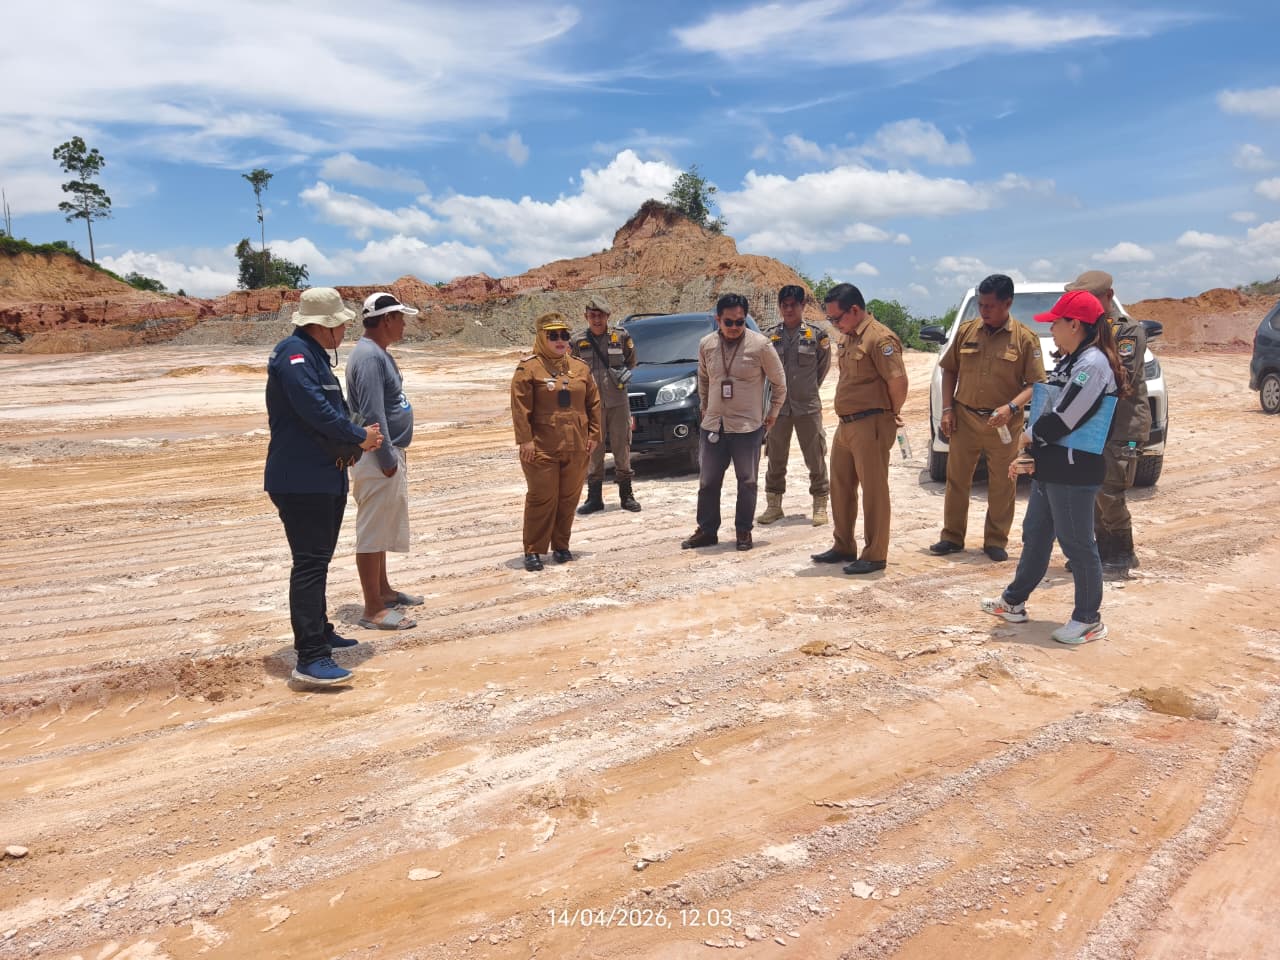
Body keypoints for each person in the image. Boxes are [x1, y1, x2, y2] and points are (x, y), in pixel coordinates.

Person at [981, 289, 1131, 645]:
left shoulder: (1092, 365)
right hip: (1054, 466)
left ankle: (1088, 619)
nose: (1053, 331)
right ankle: (1013, 602)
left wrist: (1026, 439)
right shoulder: (1073, 359)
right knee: (1035, 535)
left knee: (1077, 544)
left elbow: (1065, 419)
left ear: (1075, 325)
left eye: (1056, 324)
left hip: (1074, 469)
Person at [265, 287, 383, 686]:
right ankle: (310, 655)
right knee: (310, 564)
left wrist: (354, 438)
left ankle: (320, 630)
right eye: (341, 323)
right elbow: (314, 410)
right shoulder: (294, 354)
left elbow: (329, 408)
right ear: (324, 326)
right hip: (301, 480)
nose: (346, 328)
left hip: (322, 475)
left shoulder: (312, 356)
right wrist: (359, 436)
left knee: (319, 561)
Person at [931, 274, 1046, 562]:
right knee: (956, 479)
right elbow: (949, 371)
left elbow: (1035, 385)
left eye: (990, 306)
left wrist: (1011, 408)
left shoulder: (1025, 338)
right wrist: (947, 409)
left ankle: (995, 540)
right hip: (965, 417)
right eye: (981, 305)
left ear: (1007, 303)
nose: (984, 311)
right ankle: (952, 537)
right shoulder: (967, 332)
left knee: (1002, 483)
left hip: (1004, 423)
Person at [811, 283, 908, 575]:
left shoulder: (880, 339)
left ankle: (875, 553)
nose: (834, 324)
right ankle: (843, 545)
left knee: (874, 490)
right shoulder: (849, 337)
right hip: (847, 424)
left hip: (871, 423)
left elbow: (898, 383)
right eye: (830, 320)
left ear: (854, 310)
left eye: (836, 318)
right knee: (840, 487)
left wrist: (890, 414)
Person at [681, 293, 787, 552]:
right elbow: (704, 379)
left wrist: (771, 415)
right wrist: (706, 409)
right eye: (728, 322)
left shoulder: (761, 345)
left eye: (740, 322)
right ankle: (707, 530)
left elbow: (780, 383)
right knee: (707, 482)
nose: (734, 328)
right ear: (718, 319)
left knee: (747, 481)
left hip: (747, 427)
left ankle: (743, 531)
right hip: (714, 425)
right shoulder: (706, 344)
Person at [1065, 270, 1150, 576]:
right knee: (1094, 490)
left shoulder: (1127, 331)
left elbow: (1120, 375)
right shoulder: (1090, 330)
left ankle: (1123, 553)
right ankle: (1101, 551)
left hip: (1122, 425)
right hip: (1096, 424)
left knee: (1110, 490)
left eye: (1091, 298)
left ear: (1108, 296)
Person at [346, 292, 422, 631]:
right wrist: (387, 456)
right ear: (387, 319)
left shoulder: (378, 354)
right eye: (400, 317)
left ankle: (384, 591)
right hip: (376, 455)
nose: (404, 324)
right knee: (372, 531)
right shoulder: (368, 357)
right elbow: (373, 412)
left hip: (384, 453)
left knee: (382, 527)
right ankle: (372, 609)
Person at [511, 312, 601, 571]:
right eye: (553, 336)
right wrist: (525, 441)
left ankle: (561, 546)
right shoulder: (528, 368)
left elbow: (593, 404)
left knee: (569, 497)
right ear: (541, 337)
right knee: (542, 498)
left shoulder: (580, 367)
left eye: (564, 335)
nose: (560, 340)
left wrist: (594, 435)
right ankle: (534, 550)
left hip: (576, 446)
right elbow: (520, 408)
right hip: (541, 447)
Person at [757, 284, 833, 527]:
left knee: (815, 456)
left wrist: (806, 390)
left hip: (807, 407)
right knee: (776, 457)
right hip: (778, 409)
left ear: (803, 306)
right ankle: (774, 505)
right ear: (780, 307)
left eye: (794, 305)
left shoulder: (816, 336)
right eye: (785, 305)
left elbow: (821, 369)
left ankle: (820, 505)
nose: (789, 309)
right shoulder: (768, 337)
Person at [572, 295, 641, 514]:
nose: (596, 319)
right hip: (590, 405)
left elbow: (631, 360)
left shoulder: (620, 336)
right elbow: (573, 369)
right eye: (592, 315)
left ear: (607, 316)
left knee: (622, 447)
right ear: (586, 317)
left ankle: (626, 496)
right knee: (594, 449)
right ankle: (594, 498)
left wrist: (622, 376)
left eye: (600, 315)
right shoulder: (577, 341)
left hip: (618, 401)